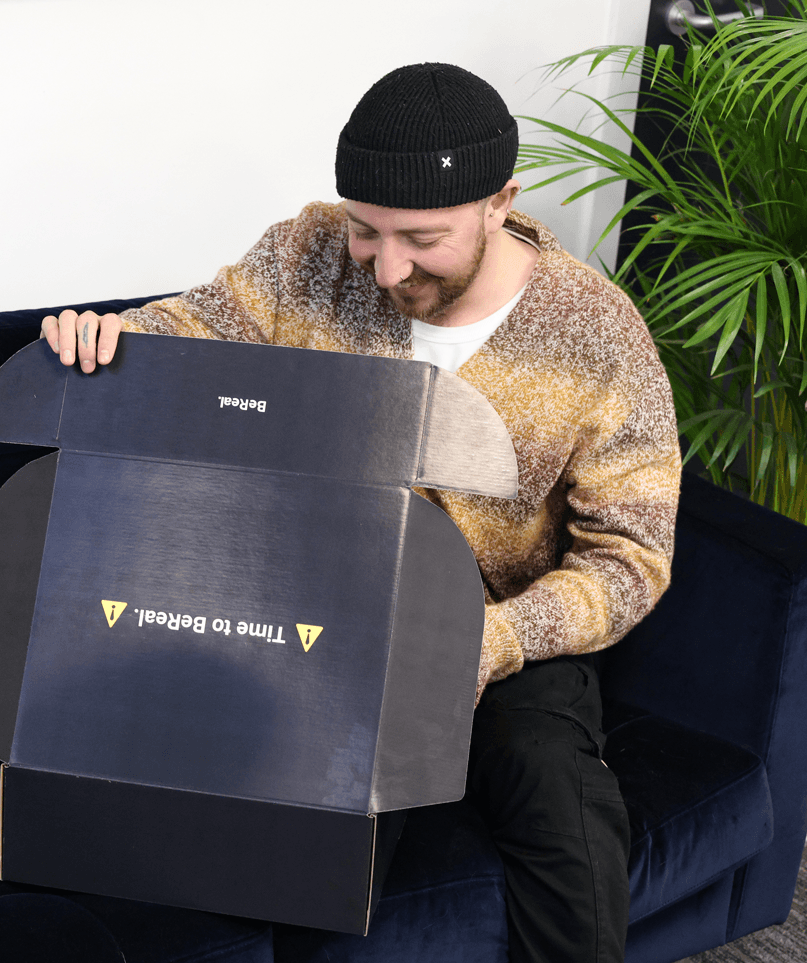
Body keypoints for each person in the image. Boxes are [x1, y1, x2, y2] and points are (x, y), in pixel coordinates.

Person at [42, 63, 681, 963]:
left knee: (560, 802)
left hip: (497, 630)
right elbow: (197, 326)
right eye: (364, 231)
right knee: (311, 845)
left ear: (502, 202)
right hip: (319, 612)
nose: (386, 268)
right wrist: (114, 337)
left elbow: (632, 557)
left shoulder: (598, 333)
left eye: (421, 239)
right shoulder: (305, 253)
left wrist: (493, 640)